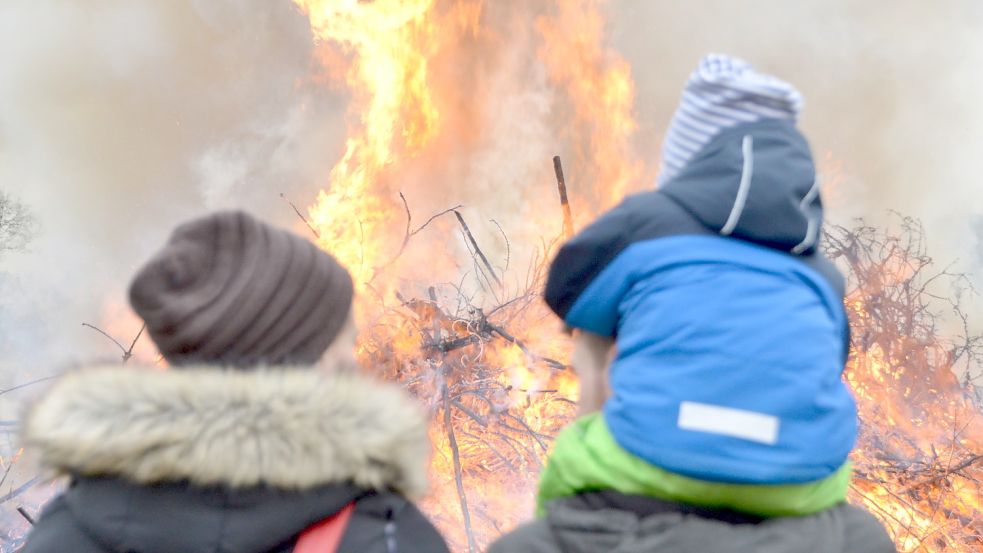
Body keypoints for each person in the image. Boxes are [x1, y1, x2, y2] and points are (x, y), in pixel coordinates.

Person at [489, 55, 895, 552]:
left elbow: (565, 290)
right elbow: (829, 362)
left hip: (646, 479)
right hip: (794, 497)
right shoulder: (820, 274)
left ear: (688, 166)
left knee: (592, 335)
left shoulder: (647, 224)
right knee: (864, 536)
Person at [20, 211, 449, 553]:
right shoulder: (386, 538)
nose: (353, 363)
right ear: (304, 361)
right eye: (339, 342)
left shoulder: (66, 532)